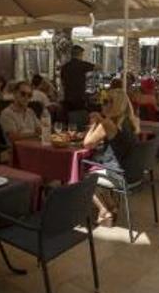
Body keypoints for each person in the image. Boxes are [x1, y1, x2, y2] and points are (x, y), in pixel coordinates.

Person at [83, 89, 140, 226]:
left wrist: (94, 124)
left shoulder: (108, 123)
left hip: (119, 175)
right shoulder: (132, 121)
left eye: (106, 102)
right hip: (133, 172)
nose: (102, 105)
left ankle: (104, 211)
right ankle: (112, 206)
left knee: (81, 175)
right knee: (96, 165)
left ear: (116, 105)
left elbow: (87, 144)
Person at [60, 44, 96, 111]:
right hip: (79, 97)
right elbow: (97, 67)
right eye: (82, 55)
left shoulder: (65, 67)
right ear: (80, 54)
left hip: (68, 97)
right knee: (79, 116)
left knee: (68, 117)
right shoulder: (82, 65)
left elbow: (62, 82)